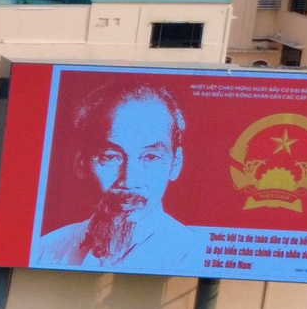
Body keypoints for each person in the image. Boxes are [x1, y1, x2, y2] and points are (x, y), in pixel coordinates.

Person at [34, 86, 206, 272]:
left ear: (175, 163)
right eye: (111, 157)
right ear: (81, 164)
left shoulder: (196, 255)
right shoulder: (45, 250)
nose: (130, 180)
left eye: (150, 157)